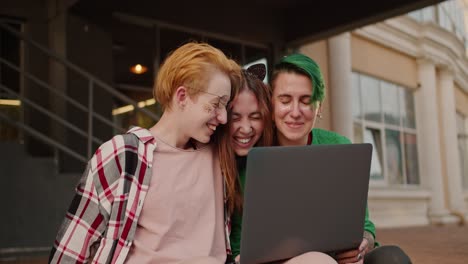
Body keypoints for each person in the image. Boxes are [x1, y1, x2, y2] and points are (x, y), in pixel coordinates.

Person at [49, 42, 242, 264]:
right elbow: (68, 254)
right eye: (216, 104)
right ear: (182, 96)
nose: (223, 118)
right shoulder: (124, 155)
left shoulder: (220, 156)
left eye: (225, 107)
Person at [270, 53, 411, 264]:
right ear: (271, 104)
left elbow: (366, 226)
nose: (295, 111)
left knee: (393, 258)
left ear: (319, 107)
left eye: (306, 101)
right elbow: (239, 242)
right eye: (285, 100)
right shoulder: (256, 157)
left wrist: (363, 243)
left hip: (344, 259)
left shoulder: (339, 146)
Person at [218, 64, 337, 264]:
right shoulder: (214, 161)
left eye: (255, 117)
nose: (245, 128)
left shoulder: (268, 160)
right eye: (235, 117)